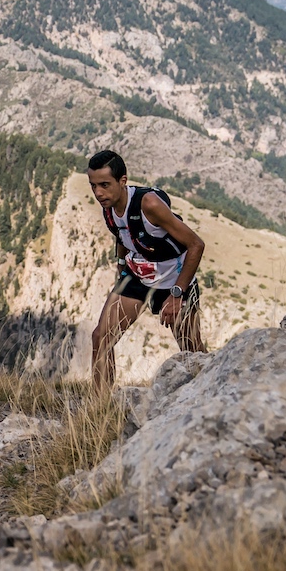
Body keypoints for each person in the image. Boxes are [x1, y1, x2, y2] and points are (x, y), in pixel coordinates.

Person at [85, 149, 207, 391]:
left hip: (174, 281)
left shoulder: (149, 204)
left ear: (123, 181)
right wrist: (121, 269)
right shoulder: (108, 206)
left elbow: (196, 245)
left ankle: (211, 395)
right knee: (101, 338)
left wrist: (177, 294)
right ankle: (100, 406)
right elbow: (122, 235)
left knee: (192, 350)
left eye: (105, 185)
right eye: (93, 185)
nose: (98, 193)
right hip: (138, 277)